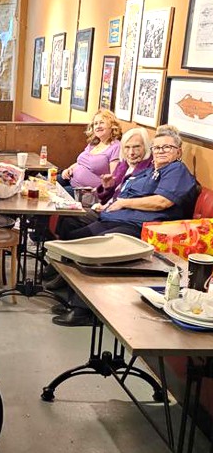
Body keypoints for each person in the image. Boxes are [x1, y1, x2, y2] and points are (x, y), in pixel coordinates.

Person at [50, 125, 198, 327]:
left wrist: (124, 203)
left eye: (167, 148)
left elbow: (162, 202)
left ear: (178, 152)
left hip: (140, 228)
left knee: (94, 248)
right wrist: (112, 202)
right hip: (115, 218)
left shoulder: (176, 170)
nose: (160, 152)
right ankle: (73, 295)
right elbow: (121, 190)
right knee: (76, 236)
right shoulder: (150, 172)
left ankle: (83, 310)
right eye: (157, 148)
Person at [55, 127, 153, 240]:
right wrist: (107, 187)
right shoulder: (124, 165)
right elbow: (108, 195)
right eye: (127, 147)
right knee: (66, 219)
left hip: (120, 217)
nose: (131, 152)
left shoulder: (149, 169)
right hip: (106, 209)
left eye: (136, 147)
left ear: (146, 147)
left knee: (74, 233)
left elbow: (132, 197)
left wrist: (108, 204)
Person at [58, 109, 122, 195]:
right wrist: (69, 169)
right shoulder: (94, 143)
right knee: (44, 182)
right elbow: (80, 163)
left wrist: (97, 191)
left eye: (102, 122)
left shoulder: (116, 147)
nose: (98, 126)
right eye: (95, 124)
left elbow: (114, 178)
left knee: (54, 194)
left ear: (112, 126)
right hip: (69, 179)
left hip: (85, 193)